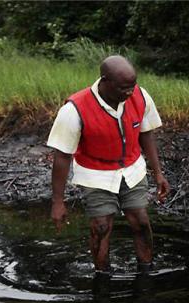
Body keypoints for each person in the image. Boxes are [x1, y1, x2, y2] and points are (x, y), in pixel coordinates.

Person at [48, 55, 170, 281]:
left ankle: (146, 272)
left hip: (132, 170)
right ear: (105, 81)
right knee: (101, 226)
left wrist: (158, 173)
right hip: (95, 175)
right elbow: (62, 156)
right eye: (123, 88)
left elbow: (147, 134)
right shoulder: (75, 109)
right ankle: (102, 277)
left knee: (141, 221)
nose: (129, 92)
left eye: (132, 86)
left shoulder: (140, 97)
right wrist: (58, 201)